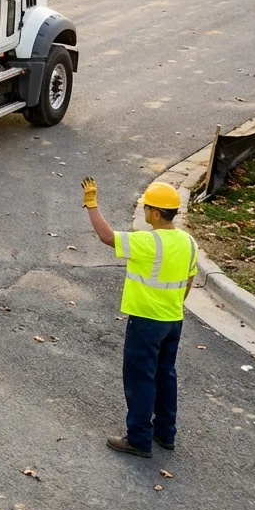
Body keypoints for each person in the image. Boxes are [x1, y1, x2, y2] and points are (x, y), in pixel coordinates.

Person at [82, 177, 198, 458]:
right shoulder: (189, 242)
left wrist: (91, 204)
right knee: (165, 375)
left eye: (147, 207)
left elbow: (107, 237)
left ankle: (138, 439)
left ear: (157, 213)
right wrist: (173, 305)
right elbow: (190, 279)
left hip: (146, 322)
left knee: (140, 379)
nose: (144, 211)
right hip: (173, 320)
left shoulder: (148, 242)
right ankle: (165, 433)